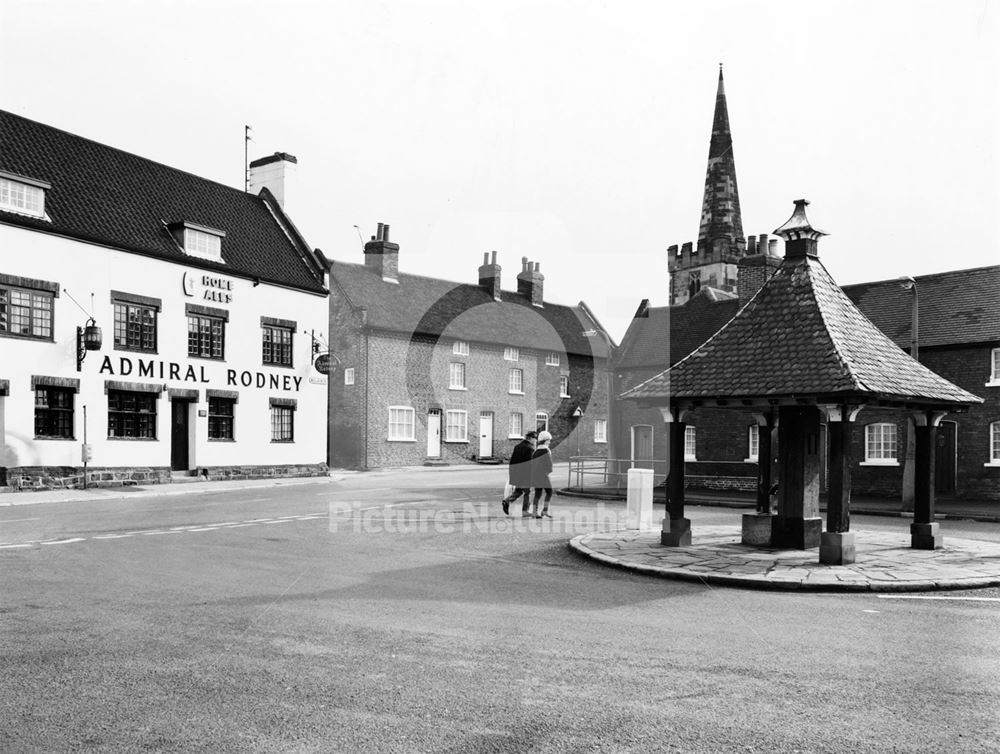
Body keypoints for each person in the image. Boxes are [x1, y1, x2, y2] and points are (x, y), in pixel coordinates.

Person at [502, 430, 536, 516]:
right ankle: (525, 511)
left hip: (516, 473)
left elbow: (512, 461)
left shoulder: (517, 446)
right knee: (528, 492)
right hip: (525, 475)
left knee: (519, 491)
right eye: (535, 438)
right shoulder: (530, 448)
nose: (536, 440)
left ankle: (507, 501)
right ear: (531, 438)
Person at [530, 430, 554, 518]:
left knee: (537, 493)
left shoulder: (536, 451)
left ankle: (534, 512)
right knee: (549, 492)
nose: (550, 442)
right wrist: (548, 472)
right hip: (543, 475)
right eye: (549, 440)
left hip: (535, 475)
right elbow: (549, 465)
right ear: (545, 440)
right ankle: (545, 510)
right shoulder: (546, 451)